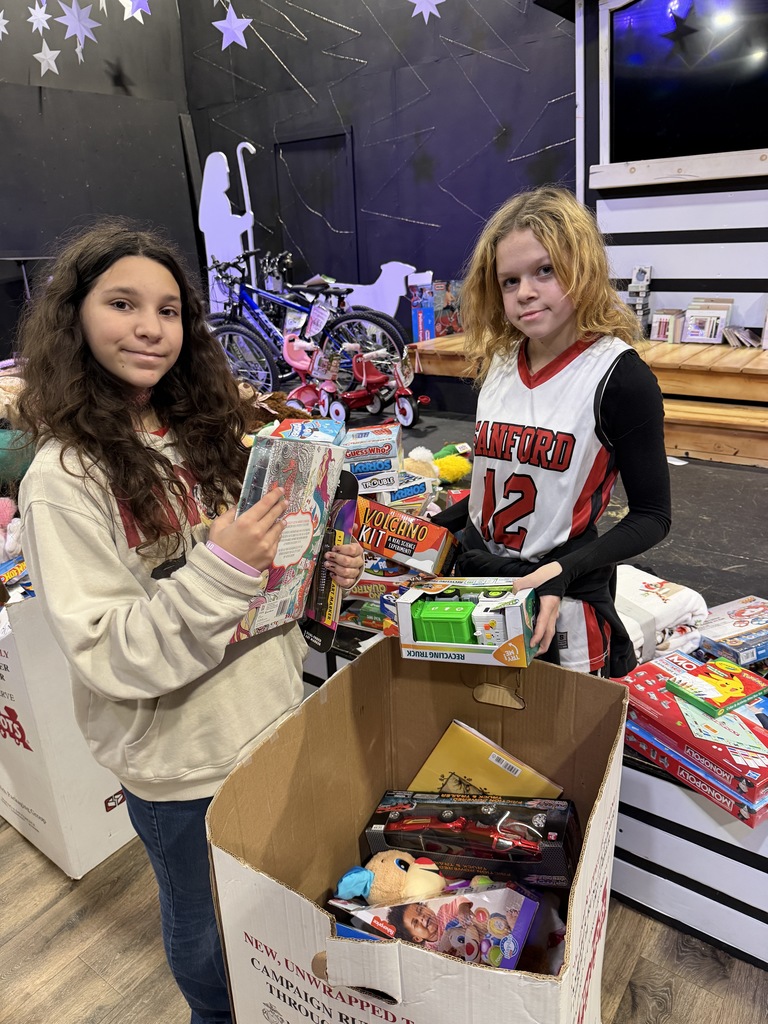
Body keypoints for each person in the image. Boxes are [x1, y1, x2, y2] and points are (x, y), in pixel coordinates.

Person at [14, 219, 364, 1024]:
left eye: (169, 310)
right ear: (75, 317)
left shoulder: (202, 434)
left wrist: (314, 577)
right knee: (210, 955)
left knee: (272, 925)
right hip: (181, 769)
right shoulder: (63, 479)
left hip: (271, 722)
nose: (149, 328)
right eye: (123, 303)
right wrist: (227, 563)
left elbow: (252, 589)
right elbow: (111, 651)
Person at [433, 185, 671, 677]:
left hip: (558, 594)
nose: (525, 291)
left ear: (582, 266)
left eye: (545, 270)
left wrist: (565, 570)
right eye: (509, 280)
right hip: (479, 583)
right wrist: (426, 531)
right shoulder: (497, 363)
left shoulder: (620, 375)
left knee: (559, 743)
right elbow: (492, 492)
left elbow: (652, 515)